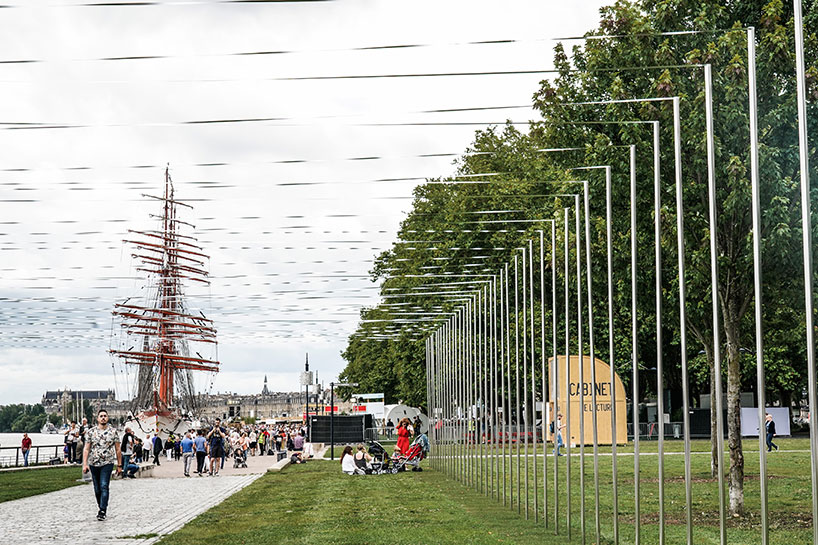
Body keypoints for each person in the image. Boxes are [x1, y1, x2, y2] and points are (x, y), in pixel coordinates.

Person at [82, 409, 122, 521]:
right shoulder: (91, 432)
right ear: (97, 418)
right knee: (97, 488)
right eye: (101, 416)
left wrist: (119, 465)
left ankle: (103, 510)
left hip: (107, 463)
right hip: (94, 463)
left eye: (105, 416)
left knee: (104, 485)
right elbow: (86, 448)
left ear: (107, 418)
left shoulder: (113, 432)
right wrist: (85, 464)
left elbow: (118, 449)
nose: (103, 418)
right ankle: (101, 506)